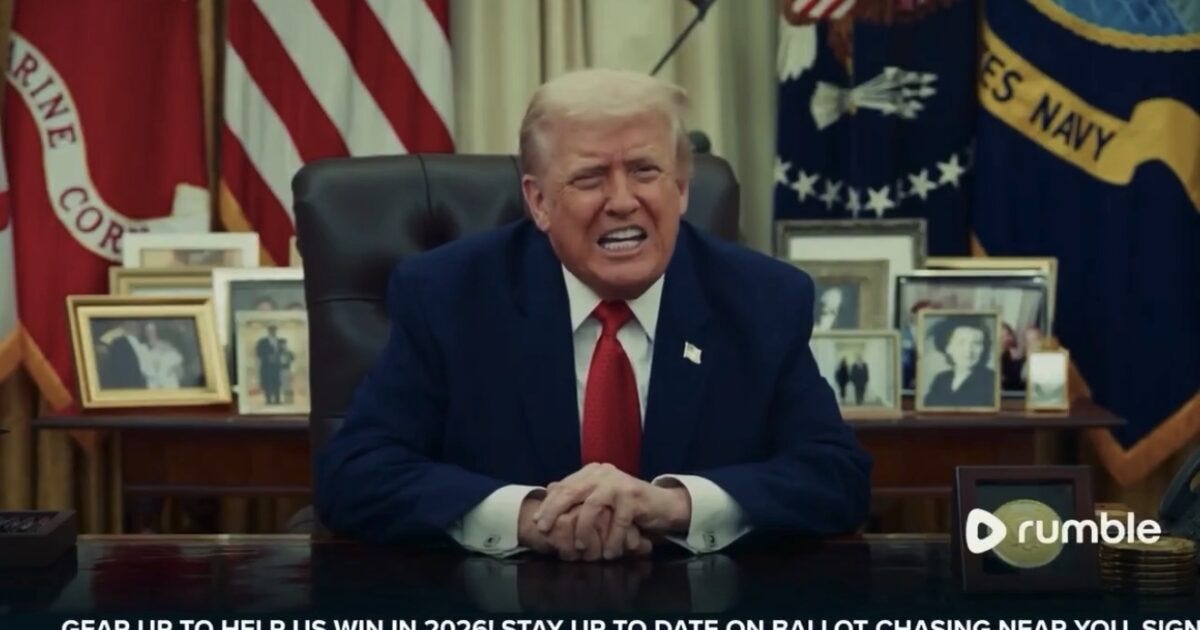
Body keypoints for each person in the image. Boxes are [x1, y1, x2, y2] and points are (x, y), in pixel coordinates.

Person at [316, 69, 871, 561]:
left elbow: (835, 478)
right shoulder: (448, 295)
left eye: (645, 171)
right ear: (537, 202)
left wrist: (673, 505)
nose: (623, 200)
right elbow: (355, 475)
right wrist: (529, 517)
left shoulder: (762, 298)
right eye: (589, 178)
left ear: (680, 189)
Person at [922, 316, 997, 408]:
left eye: (976, 343)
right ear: (948, 347)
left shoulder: (991, 380)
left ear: (984, 348)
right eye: (961, 342)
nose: (969, 350)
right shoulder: (941, 379)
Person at [99, 320, 148, 389]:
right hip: (124, 379)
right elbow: (102, 346)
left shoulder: (138, 338)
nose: (135, 325)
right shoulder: (117, 335)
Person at [139, 321, 185, 389]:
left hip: (169, 384)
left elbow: (180, 372)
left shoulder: (168, 346)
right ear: (144, 333)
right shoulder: (142, 348)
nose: (150, 333)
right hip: (152, 386)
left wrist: (175, 370)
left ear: (157, 331)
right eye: (147, 331)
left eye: (152, 330)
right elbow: (143, 370)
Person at [256, 326, 282, 404]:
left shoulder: (279, 341)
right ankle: (268, 400)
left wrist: (278, 358)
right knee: (267, 382)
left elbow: (283, 352)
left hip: (276, 366)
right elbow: (258, 353)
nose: (273, 332)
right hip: (266, 366)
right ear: (268, 331)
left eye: (274, 330)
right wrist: (268, 357)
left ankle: (277, 400)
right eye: (271, 330)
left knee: (276, 382)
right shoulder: (262, 341)